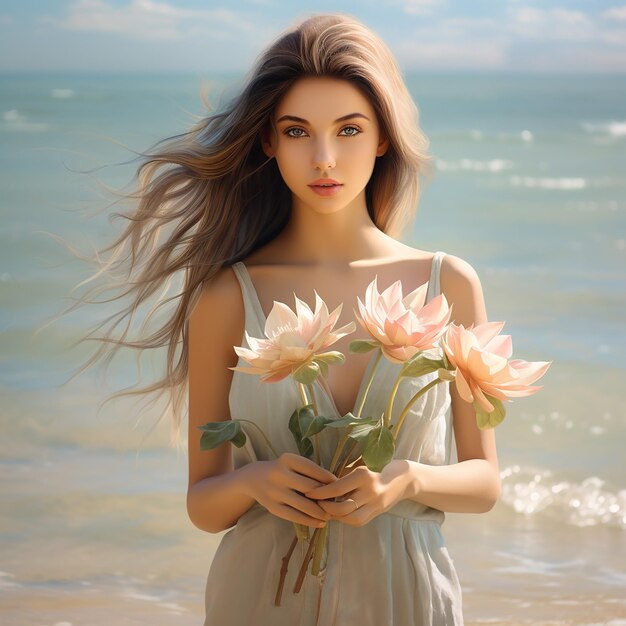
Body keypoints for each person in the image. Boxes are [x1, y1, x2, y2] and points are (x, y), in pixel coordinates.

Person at [80, 12, 500, 626]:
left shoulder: (448, 284)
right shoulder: (229, 295)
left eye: (349, 130)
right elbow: (204, 502)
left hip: (407, 598)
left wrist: (404, 480)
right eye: (298, 131)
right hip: (261, 597)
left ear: (383, 137)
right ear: (269, 141)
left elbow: (485, 482)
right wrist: (257, 482)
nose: (324, 157)